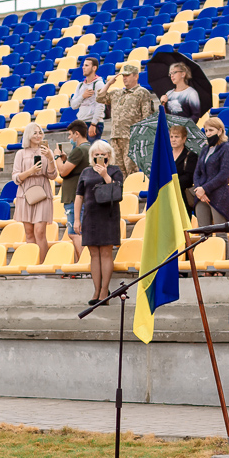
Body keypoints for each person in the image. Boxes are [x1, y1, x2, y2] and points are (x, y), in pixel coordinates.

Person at [74, 140, 123, 305]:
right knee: (93, 254)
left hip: (108, 216)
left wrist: (105, 175)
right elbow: (79, 196)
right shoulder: (86, 172)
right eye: (96, 155)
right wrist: (76, 219)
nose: (100, 157)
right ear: (92, 157)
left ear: (109, 155)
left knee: (106, 253)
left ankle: (104, 292)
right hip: (90, 216)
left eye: (103, 154)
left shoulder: (115, 171)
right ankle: (96, 290)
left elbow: (117, 190)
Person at [96, 62, 157, 175]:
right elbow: (99, 98)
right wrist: (109, 83)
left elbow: (147, 117)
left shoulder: (142, 92)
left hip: (132, 138)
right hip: (116, 137)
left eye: (127, 75)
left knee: (131, 170)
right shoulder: (117, 93)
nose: (124, 78)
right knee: (118, 171)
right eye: (123, 76)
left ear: (136, 76)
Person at [12, 123, 58, 264]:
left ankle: (42, 265)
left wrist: (50, 157)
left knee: (40, 231)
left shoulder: (46, 151)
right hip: (25, 193)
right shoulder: (21, 153)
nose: (38, 135)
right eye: (35, 133)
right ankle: (32, 263)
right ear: (28, 135)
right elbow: (15, 177)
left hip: (43, 192)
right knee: (29, 232)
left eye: (40, 132)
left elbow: (53, 175)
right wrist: (30, 171)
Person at [55, 120, 92, 257]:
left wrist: (57, 157)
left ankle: (84, 265)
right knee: (79, 232)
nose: (70, 138)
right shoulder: (90, 148)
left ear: (77, 134)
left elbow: (63, 171)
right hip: (83, 196)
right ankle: (81, 266)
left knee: (75, 233)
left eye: (70, 135)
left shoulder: (79, 150)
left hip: (75, 197)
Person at [192, 117, 229, 227]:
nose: (208, 133)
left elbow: (223, 174)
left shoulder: (226, 148)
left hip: (218, 196)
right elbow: (197, 173)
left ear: (220, 131)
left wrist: (204, 188)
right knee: (203, 233)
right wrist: (198, 190)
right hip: (201, 197)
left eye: (211, 130)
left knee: (221, 232)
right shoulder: (205, 149)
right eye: (206, 131)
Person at [70, 57, 106, 140]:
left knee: (91, 151)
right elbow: (73, 105)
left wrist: (94, 124)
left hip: (93, 123)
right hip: (81, 123)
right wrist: (83, 96)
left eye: (86, 65)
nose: (83, 67)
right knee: (80, 152)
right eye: (83, 65)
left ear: (94, 68)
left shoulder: (99, 84)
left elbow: (100, 105)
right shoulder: (80, 85)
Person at [169, 123, 198, 218]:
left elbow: (189, 178)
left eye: (177, 137)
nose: (173, 139)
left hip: (182, 197)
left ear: (184, 139)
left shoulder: (190, 156)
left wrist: (171, 182)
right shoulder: (165, 156)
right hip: (167, 196)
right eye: (171, 136)